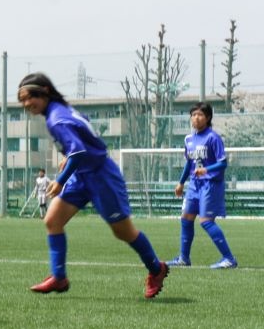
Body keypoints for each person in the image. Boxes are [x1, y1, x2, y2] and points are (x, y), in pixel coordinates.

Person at [17, 72, 168, 299]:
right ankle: (59, 277)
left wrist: (60, 180)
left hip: (101, 176)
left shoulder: (56, 119)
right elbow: (82, 134)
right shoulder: (61, 110)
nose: (27, 104)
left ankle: (157, 269)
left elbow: (78, 150)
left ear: (45, 91)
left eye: (30, 97)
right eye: (23, 100)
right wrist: (69, 157)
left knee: (123, 232)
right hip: (82, 175)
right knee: (52, 220)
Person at [167, 102, 237, 269]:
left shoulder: (213, 138)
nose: (196, 118)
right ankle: (184, 258)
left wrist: (206, 170)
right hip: (194, 185)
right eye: (193, 115)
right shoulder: (189, 139)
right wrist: (181, 183)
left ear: (208, 117)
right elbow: (189, 163)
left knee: (206, 221)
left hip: (210, 184)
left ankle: (229, 259)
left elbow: (223, 163)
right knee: (186, 218)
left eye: (200, 115)